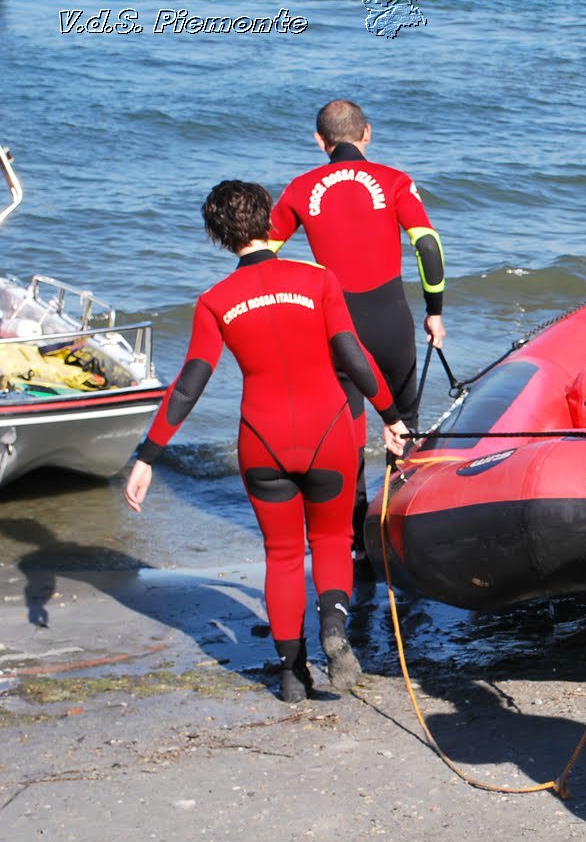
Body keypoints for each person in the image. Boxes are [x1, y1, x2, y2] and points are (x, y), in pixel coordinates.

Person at [125, 181, 410, 702]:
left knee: (280, 556)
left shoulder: (214, 301)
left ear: (217, 236)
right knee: (330, 542)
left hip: (262, 441)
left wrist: (148, 455)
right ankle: (333, 626)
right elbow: (352, 355)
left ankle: (290, 675)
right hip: (328, 433)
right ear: (268, 220)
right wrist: (391, 415)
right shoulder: (318, 281)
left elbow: (190, 383)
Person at [268, 98, 445, 555]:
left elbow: (263, 255)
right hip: (391, 323)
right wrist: (435, 310)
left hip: (338, 330)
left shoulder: (300, 188)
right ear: (368, 134)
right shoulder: (395, 181)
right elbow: (427, 246)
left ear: (319, 141)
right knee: (404, 426)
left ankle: (357, 548)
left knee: (348, 433)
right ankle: (398, 536)